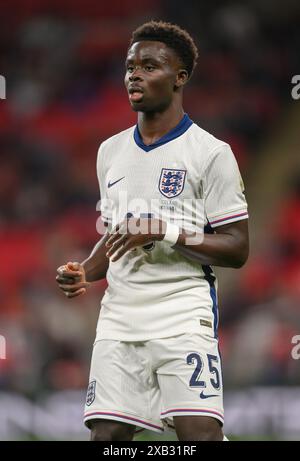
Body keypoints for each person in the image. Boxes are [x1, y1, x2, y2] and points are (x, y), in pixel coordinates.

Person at [56, 20, 249, 441]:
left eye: (149, 66)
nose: (134, 75)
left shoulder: (212, 153)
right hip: (119, 320)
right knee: (106, 438)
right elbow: (116, 234)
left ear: (179, 78)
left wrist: (166, 232)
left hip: (182, 315)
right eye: (130, 66)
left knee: (199, 437)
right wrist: (86, 271)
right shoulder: (110, 152)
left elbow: (237, 248)